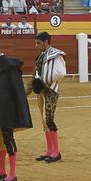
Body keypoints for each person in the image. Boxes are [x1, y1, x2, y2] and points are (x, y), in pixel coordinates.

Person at [0, 40, 32, 181]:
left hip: (7, 108)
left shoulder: (9, 65)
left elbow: (15, 90)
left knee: (8, 139)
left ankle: (13, 174)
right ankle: (2, 170)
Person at [32, 32, 67, 162]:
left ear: (46, 42)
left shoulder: (55, 55)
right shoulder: (42, 55)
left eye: (38, 43)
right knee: (44, 120)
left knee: (49, 119)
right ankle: (49, 150)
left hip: (51, 90)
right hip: (41, 90)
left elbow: (61, 73)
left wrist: (45, 81)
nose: (36, 45)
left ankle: (56, 152)